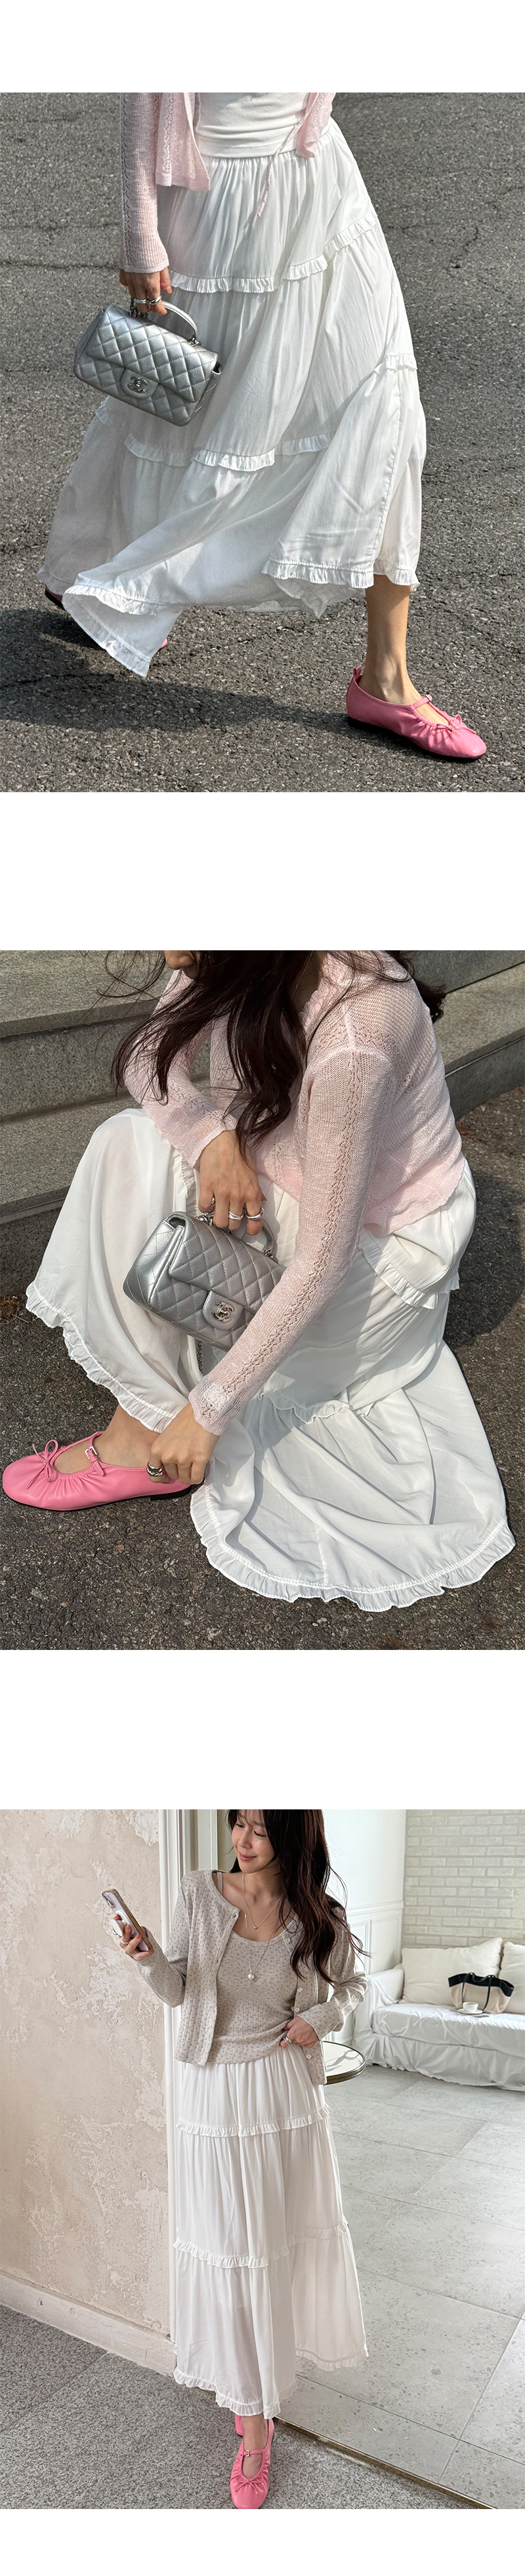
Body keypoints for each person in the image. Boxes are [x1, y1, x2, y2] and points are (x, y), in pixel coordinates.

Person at [3, 950, 514, 1613]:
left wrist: (210, 1410)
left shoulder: (355, 1032)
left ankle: (142, 1434)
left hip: (376, 1256)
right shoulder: (243, 953)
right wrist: (209, 1139)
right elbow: (147, 1059)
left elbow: (325, 1260)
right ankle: (151, 1409)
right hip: (292, 1180)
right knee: (126, 1143)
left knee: (149, 1167)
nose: (171, 952)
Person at [41, 93, 486, 761]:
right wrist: (140, 234)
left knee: (385, 408)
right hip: (220, 204)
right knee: (190, 414)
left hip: (324, 184)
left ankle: (387, 678)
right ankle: (103, 572)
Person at [118, 1809, 368, 2508]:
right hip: (213, 2098)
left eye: (259, 1829)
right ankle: (248, 2398)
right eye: (238, 1824)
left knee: (272, 2247)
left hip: (283, 2093)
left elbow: (351, 1987)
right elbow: (179, 1990)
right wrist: (147, 1960)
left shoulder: (317, 1915)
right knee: (229, 2249)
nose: (242, 1840)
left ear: (291, 1836)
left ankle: (256, 2417)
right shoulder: (198, 1893)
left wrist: (316, 2019)